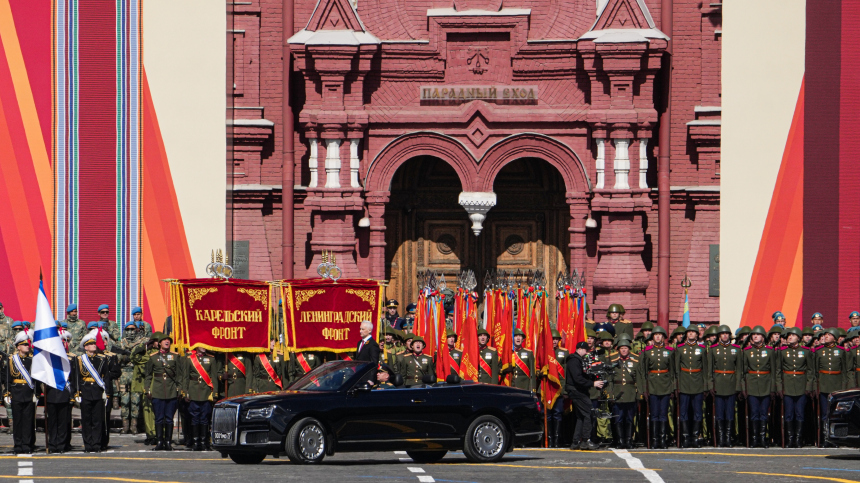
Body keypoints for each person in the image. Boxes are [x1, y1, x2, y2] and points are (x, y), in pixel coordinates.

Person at [73, 328, 113, 453]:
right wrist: (77, 392)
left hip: (97, 391)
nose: (93, 345)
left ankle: (96, 444)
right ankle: (88, 444)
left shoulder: (102, 359)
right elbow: (76, 377)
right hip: (85, 391)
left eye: (94, 343)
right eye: (90, 344)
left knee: (97, 420)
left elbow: (106, 377)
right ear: (85, 347)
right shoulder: (79, 360)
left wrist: (107, 393)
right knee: (86, 420)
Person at [743, 325, 779, 448]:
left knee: (764, 413)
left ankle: (763, 438)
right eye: (754, 335)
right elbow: (743, 372)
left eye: (758, 334)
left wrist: (773, 388)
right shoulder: (747, 351)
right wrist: (744, 388)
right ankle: (754, 438)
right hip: (752, 385)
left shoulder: (770, 351)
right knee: (754, 413)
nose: (756, 336)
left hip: (766, 385)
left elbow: (774, 371)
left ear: (763, 337)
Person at [706, 325, 741, 447]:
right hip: (718, 384)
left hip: (731, 384)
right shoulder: (713, 349)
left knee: (730, 413)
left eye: (727, 333)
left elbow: (739, 370)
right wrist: (710, 385)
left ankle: (728, 438)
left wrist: (738, 386)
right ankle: (721, 438)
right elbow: (709, 370)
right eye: (723, 333)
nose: (725, 335)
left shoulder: (736, 349)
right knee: (720, 414)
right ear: (719, 336)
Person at [4, 331, 40, 454]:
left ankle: (27, 445)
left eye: (28, 344)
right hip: (17, 392)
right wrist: (7, 392)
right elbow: (8, 377)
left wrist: (37, 393)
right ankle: (18, 445)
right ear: (18, 346)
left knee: (28, 421)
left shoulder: (33, 360)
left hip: (28, 393)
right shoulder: (11, 359)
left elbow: (36, 379)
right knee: (18, 421)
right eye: (24, 345)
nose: (27, 346)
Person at [144, 333, 181, 451]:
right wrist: (147, 389)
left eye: (168, 340)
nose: (167, 342)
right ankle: (160, 441)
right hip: (158, 390)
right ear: (159, 343)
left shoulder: (175, 356)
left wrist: (180, 389)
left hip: (171, 390)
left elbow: (179, 375)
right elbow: (148, 375)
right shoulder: (153, 357)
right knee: (159, 418)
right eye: (164, 340)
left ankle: (168, 442)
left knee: (169, 418)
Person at [640, 325, 674, 448]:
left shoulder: (670, 351)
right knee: (654, 414)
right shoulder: (647, 352)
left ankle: (663, 439)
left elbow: (672, 371)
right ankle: (654, 440)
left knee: (663, 414)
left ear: (664, 337)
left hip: (665, 385)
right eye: (655, 335)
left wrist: (672, 387)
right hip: (652, 385)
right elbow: (643, 372)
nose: (658, 337)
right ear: (652, 337)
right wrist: (644, 389)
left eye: (660, 335)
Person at [778, 327, 813, 448]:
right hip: (787, 386)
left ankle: (798, 439)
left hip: (801, 385)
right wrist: (779, 387)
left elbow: (810, 370)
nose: (789, 338)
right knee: (788, 414)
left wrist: (808, 386)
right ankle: (789, 439)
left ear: (798, 337)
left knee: (800, 413)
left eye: (792, 336)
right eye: (788, 336)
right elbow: (778, 371)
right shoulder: (782, 352)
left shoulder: (806, 351)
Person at [181, 346, 219, 451]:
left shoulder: (211, 359)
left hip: (206, 391)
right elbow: (186, 377)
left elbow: (214, 377)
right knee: (194, 417)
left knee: (205, 418)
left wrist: (215, 393)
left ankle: (204, 442)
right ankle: (195, 442)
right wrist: (185, 392)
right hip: (193, 391)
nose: (204, 347)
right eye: (201, 345)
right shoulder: (190, 359)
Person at [566, 341, 602, 450]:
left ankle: (576, 441)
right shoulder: (574, 360)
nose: (587, 353)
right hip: (577, 391)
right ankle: (586, 440)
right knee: (589, 414)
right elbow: (577, 378)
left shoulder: (577, 360)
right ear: (580, 349)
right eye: (586, 351)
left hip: (577, 391)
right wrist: (592, 383)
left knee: (581, 417)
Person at [815, 327, 847, 447]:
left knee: (836, 415)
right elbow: (815, 370)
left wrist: (844, 387)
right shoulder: (819, 351)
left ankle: (836, 439)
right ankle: (825, 439)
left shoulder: (841, 351)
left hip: (837, 386)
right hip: (823, 385)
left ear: (834, 338)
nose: (826, 336)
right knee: (824, 414)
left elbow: (845, 370)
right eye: (825, 334)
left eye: (829, 335)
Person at [609, 338, 639, 449]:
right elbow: (610, 378)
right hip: (618, 393)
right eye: (622, 348)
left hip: (630, 393)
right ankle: (620, 441)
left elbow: (639, 378)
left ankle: (629, 440)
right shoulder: (613, 361)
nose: (624, 350)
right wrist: (610, 393)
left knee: (630, 418)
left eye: (626, 348)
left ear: (629, 350)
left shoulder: (635, 361)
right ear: (618, 350)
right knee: (618, 418)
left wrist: (639, 392)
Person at [118, 321, 147, 434]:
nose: (130, 332)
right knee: (125, 401)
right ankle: (125, 425)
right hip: (124, 373)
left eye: (132, 329)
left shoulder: (141, 343)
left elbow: (144, 358)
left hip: (136, 373)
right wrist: (126, 357)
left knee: (136, 400)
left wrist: (134, 357)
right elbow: (118, 358)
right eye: (128, 330)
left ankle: (134, 426)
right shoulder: (121, 343)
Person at [132, 332, 159, 444]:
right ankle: (151, 434)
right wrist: (144, 346)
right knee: (148, 412)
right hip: (146, 386)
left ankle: (160, 434)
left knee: (159, 412)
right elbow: (133, 357)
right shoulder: (147, 353)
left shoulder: (161, 354)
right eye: (155, 341)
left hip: (159, 385)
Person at [547, 329, 568, 447]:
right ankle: (549, 440)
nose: (554, 341)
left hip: (559, 388)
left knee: (558, 413)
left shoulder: (564, 353)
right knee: (548, 414)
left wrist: (565, 390)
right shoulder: (545, 352)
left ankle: (556, 440)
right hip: (548, 388)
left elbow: (565, 373)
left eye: (556, 339)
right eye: (552, 339)